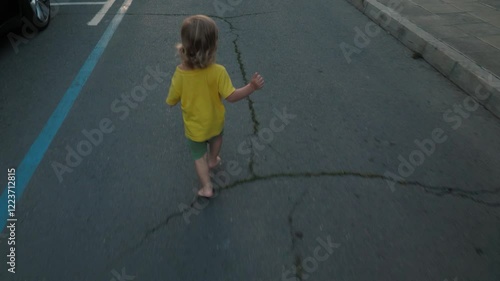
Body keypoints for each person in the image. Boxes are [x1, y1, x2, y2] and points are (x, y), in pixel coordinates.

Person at [166, 15, 264, 198]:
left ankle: (207, 187)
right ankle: (213, 159)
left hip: (194, 126)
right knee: (216, 139)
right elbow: (232, 96)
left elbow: (172, 98)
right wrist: (251, 87)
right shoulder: (219, 72)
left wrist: (171, 102)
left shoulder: (180, 74)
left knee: (197, 156)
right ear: (213, 47)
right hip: (215, 121)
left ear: (185, 46)